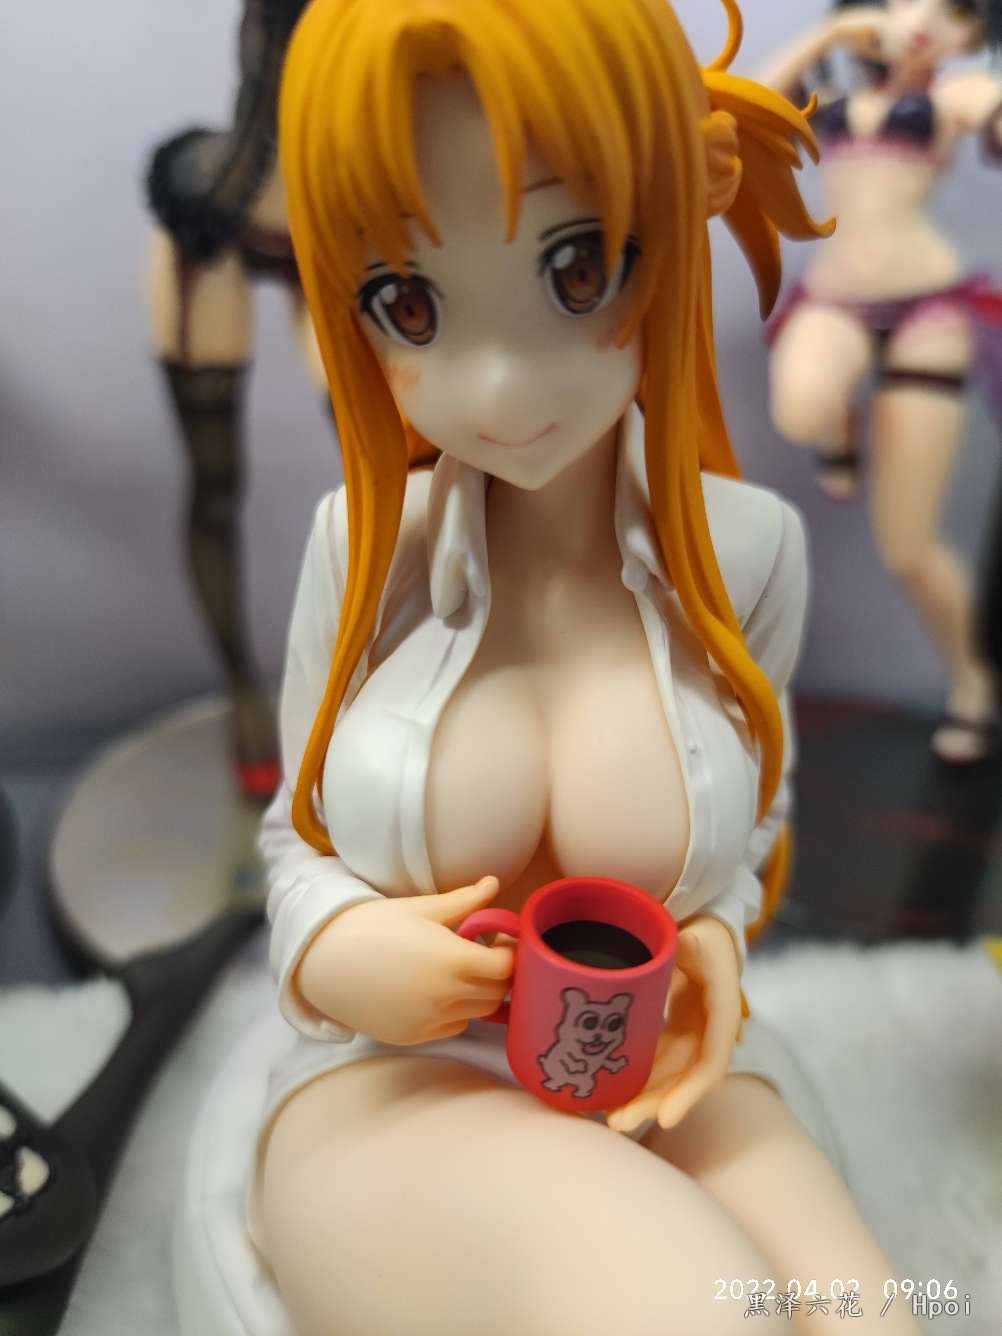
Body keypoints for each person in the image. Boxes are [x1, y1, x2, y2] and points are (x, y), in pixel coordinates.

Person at [249, 2, 921, 1332]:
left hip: (661, 1068)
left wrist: (713, 932)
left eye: (576, 270)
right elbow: (292, 834)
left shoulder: (749, 556)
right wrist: (334, 946)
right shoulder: (363, 553)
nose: (501, 388)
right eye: (409, 304)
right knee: (696, 1308)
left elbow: (757, 808)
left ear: (666, 231)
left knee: (867, 1315)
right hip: (398, 1079)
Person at [759, 0, 1002, 763]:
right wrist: (833, 34)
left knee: (907, 546)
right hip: (835, 300)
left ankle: (973, 683)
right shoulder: (830, 96)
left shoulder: (953, 96)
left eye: (952, 10)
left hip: (929, 309)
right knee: (801, 406)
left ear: (974, 32)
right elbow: (750, 103)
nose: (924, 18)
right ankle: (840, 431)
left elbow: (990, 107)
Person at [145, 0, 326, 802]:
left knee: (396, 478)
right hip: (221, 217)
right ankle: (244, 691)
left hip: (334, 225)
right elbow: (267, 80)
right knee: (216, 483)